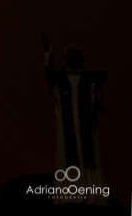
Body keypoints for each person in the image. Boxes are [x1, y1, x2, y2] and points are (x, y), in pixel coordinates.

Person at [42, 34, 108, 205]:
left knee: (89, 161)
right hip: (67, 131)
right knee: (68, 159)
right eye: (69, 54)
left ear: (82, 57)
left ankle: (93, 196)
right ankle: (70, 195)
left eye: (76, 54)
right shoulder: (61, 80)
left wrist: (99, 85)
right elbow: (50, 79)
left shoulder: (90, 80)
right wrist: (47, 52)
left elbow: (101, 105)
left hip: (86, 133)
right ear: (65, 58)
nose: (73, 57)